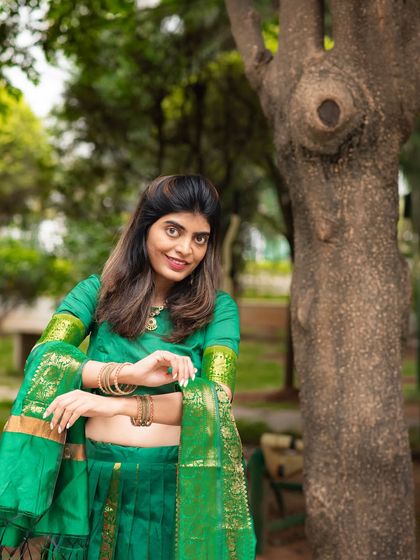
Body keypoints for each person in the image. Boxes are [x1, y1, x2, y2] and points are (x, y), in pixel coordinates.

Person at [0, 175, 256, 559]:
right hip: (92, 488)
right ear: (143, 227)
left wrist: (113, 404)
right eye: (173, 230)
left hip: (173, 495)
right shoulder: (96, 293)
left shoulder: (218, 311)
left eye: (200, 238)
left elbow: (216, 403)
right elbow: (44, 358)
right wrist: (128, 375)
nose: (186, 249)